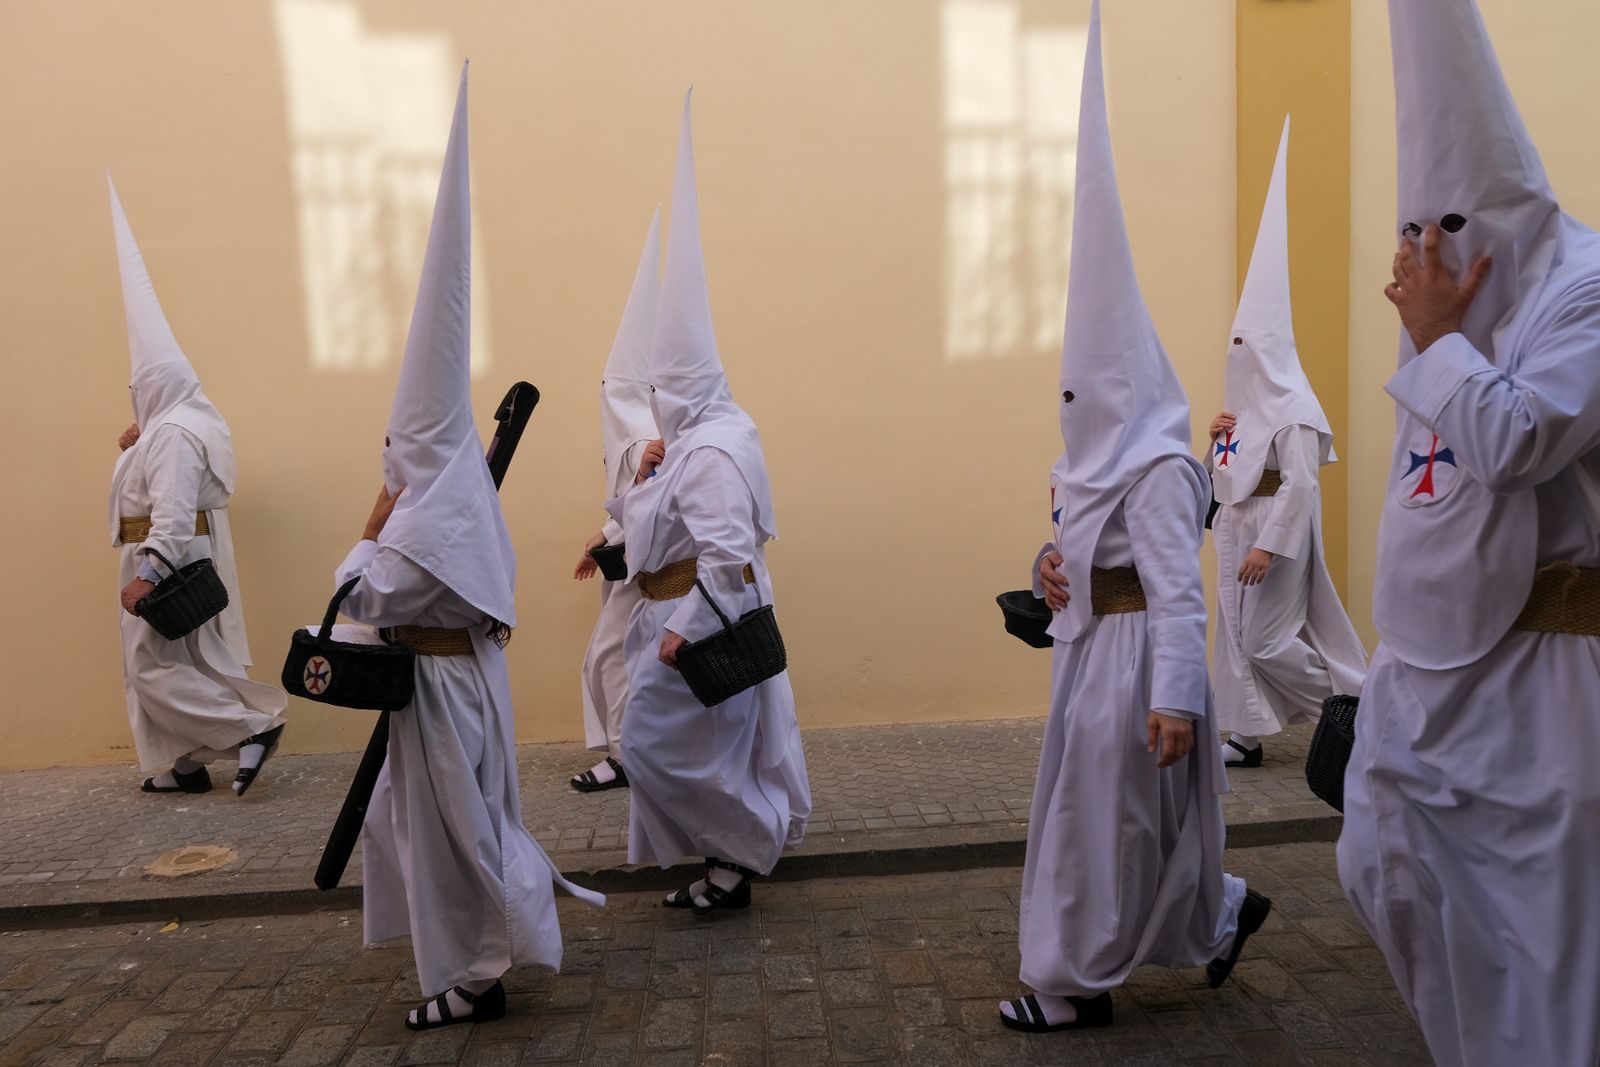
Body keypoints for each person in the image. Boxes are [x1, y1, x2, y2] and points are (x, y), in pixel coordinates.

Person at [1337, 2, 1600, 1063]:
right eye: (1415, 229)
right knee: (1385, 872)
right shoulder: (1450, 305)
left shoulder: (1582, 291)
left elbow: (1516, 440)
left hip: (1541, 685)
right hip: (1424, 675)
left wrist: (1440, 335)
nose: (1427, 253)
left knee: (1541, 944)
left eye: (1449, 227)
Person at [998, 4, 1269, 1033]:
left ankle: (1073, 983)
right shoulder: (1090, 456)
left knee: (1099, 828)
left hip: (1131, 669)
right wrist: (1046, 562)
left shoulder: (1155, 466)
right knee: (1107, 826)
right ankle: (1221, 910)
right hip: (1085, 653)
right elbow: (1065, 535)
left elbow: (1174, 592)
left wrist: (1175, 701)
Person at [337, 67, 601, 1031]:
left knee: (456, 837)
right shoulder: (460, 503)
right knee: (446, 827)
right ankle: (478, 953)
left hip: (444, 697)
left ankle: (478, 967)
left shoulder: (433, 516)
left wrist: (363, 538)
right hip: (456, 688)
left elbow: (368, 598)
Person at [606, 90, 810, 914]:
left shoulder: (717, 447)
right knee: (695, 748)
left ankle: (747, 842)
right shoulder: (691, 444)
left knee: (656, 745)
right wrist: (647, 479)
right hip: (670, 620)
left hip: (698, 626)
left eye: (661, 388)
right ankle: (726, 868)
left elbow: (727, 555)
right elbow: (652, 530)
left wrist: (682, 631)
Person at [107, 178, 287, 798]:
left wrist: (148, 572)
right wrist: (136, 451)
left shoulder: (177, 433)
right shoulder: (170, 429)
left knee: (150, 666)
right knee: (176, 664)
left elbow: (175, 511)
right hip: (166, 554)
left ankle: (248, 728)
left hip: (166, 559)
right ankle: (183, 766)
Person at [1205, 118, 1365, 768]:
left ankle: (1357, 715)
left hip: (1274, 531)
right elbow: (1226, 474)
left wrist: (1270, 545)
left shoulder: (1295, 407)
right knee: (1236, 639)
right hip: (1237, 526)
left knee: (1268, 640)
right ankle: (1245, 731)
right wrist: (1215, 444)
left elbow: (1300, 481)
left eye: (1248, 346)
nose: (1237, 356)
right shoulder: (1244, 411)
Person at [570, 210, 665, 794]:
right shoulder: (641, 438)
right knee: (614, 657)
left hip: (663, 571)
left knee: (612, 657)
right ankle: (632, 751)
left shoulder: (653, 437)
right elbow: (632, 501)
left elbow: (655, 500)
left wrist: (609, 534)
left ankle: (628, 756)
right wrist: (602, 537)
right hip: (637, 563)